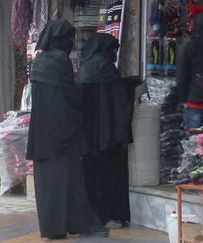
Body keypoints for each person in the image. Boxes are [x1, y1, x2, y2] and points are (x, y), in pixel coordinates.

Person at [26, 20, 104, 240]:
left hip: (42, 134)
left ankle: (53, 228)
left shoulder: (40, 61)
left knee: (50, 187)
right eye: (68, 39)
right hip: (61, 133)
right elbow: (69, 96)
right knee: (70, 182)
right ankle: (77, 223)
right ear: (59, 40)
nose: (71, 43)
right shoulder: (60, 60)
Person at [77, 33, 140, 229]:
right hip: (110, 135)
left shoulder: (86, 68)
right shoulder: (106, 68)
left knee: (93, 175)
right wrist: (134, 83)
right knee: (111, 176)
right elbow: (119, 97)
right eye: (113, 50)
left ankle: (95, 216)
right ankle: (111, 215)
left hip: (91, 135)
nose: (114, 54)